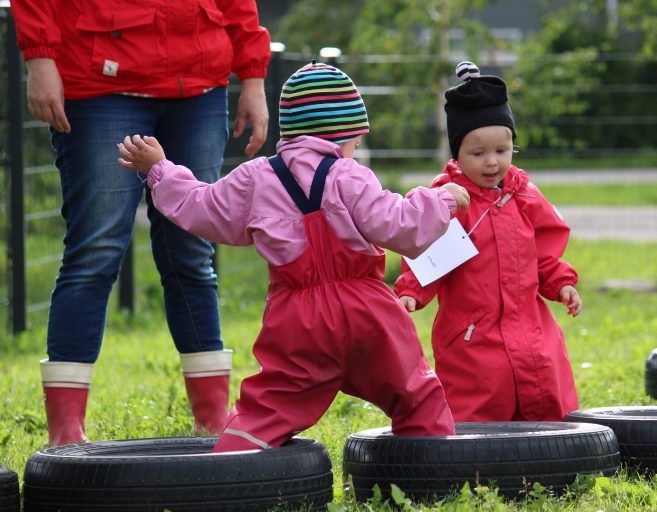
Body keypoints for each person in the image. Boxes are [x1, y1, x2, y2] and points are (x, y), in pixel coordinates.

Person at [117, 61, 468, 452]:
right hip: (367, 312)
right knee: (415, 393)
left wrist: (161, 171)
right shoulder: (350, 175)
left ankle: (230, 466)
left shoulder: (255, 177)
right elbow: (400, 226)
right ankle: (435, 469)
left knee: (268, 407)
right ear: (345, 135)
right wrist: (442, 199)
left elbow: (202, 206)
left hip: (297, 320)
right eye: (356, 140)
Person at [11, 0, 271, 446]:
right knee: (95, 252)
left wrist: (253, 76)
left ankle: (212, 423)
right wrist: (39, 58)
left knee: (193, 251)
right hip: (100, 84)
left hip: (199, 89)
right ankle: (65, 435)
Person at [395, 61, 582, 423]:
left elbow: (544, 252)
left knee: (544, 384)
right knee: (480, 396)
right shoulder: (449, 200)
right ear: (457, 154)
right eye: (477, 154)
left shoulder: (524, 195)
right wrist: (411, 290)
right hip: (472, 334)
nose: (492, 162)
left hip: (530, 325)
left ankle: (552, 454)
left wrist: (561, 282)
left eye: (502, 149)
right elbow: (428, 252)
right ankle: (477, 463)